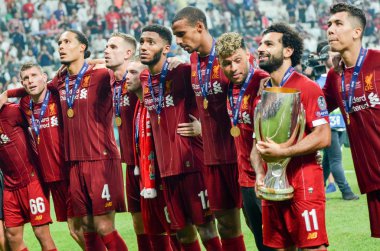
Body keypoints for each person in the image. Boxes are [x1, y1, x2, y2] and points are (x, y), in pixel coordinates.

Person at [139, 24, 221, 251]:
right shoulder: (144, 77)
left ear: (166, 48)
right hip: (166, 171)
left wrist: (204, 127)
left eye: (150, 42)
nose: (144, 46)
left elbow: (214, 98)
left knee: (207, 230)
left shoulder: (183, 71)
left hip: (192, 165)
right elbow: (113, 65)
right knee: (183, 235)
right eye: (142, 41)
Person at [44, 29, 127, 250]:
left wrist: (96, 61)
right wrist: (9, 95)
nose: (61, 45)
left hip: (100, 159)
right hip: (74, 163)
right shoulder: (60, 81)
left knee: (103, 225)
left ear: (82, 47)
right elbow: (36, 89)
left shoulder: (101, 75)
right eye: (59, 42)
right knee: (87, 227)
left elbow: (126, 68)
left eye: (67, 41)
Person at [251, 23, 330, 250]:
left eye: (269, 44)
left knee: (312, 247)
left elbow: (323, 136)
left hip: (304, 182)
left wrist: (283, 152)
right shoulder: (263, 93)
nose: (261, 49)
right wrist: (258, 173)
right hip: (271, 182)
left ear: (288, 51)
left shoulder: (308, 87)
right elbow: (257, 143)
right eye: (260, 44)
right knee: (278, 247)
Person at [172, 7, 246, 250]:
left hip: (239, 154)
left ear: (200, 27)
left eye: (182, 34)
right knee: (225, 226)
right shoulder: (193, 60)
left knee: (260, 223)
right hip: (212, 158)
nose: (179, 41)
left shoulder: (230, 57)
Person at [324, 2, 380, 238]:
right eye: (329, 24)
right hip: (371, 176)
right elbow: (315, 108)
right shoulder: (334, 76)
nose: (330, 29)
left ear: (357, 32)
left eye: (338, 24)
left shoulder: (378, 61)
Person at [17, 62, 85, 248]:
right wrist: (7, 94)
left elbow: (74, 72)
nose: (30, 81)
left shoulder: (57, 94)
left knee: (81, 229)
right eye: (26, 78)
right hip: (51, 177)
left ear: (44, 77)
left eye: (34, 76)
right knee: (75, 230)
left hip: (70, 172)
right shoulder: (24, 104)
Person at [215, 32, 273, 251]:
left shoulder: (264, 80)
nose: (233, 67)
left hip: (268, 175)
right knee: (258, 235)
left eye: (238, 60)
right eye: (227, 63)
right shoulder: (229, 86)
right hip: (245, 177)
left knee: (277, 238)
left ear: (248, 56)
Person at [127, 56, 180, 251]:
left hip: (165, 178)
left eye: (133, 72)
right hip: (146, 179)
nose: (127, 76)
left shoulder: (160, 103)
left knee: (178, 234)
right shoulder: (139, 106)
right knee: (154, 234)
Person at [104, 32, 145, 250]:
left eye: (112, 47)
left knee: (165, 225)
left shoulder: (141, 75)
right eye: (106, 47)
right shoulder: (110, 79)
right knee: (138, 224)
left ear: (128, 53)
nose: (106, 50)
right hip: (130, 164)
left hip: (151, 163)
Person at [0, 103, 56, 251]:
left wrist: (8, 93)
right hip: (10, 186)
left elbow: (33, 96)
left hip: (32, 181)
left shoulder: (11, 111)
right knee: (12, 236)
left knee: (41, 233)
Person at [314, 43, 359, 200]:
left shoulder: (339, 76)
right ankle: (346, 191)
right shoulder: (318, 78)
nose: (334, 58)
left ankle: (317, 189)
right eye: (331, 55)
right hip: (329, 124)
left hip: (340, 123)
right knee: (335, 159)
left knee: (328, 160)